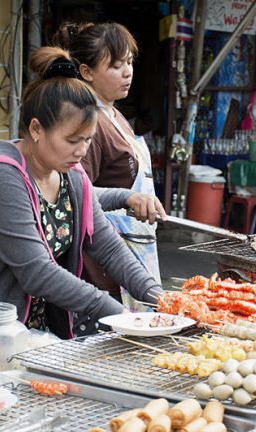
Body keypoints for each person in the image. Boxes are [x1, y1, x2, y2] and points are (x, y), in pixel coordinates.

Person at [0, 46, 163, 339]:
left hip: (28, 333)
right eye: (72, 140)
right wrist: (122, 315)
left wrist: (160, 299)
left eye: (88, 140)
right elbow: (38, 272)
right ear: (36, 129)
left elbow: (109, 247)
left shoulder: (71, 176)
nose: (81, 151)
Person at [55, 22, 165, 311]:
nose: (127, 72)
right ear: (87, 73)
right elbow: (78, 193)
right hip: (105, 265)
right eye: (116, 66)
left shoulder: (115, 114)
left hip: (136, 249)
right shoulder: (89, 122)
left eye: (129, 62)